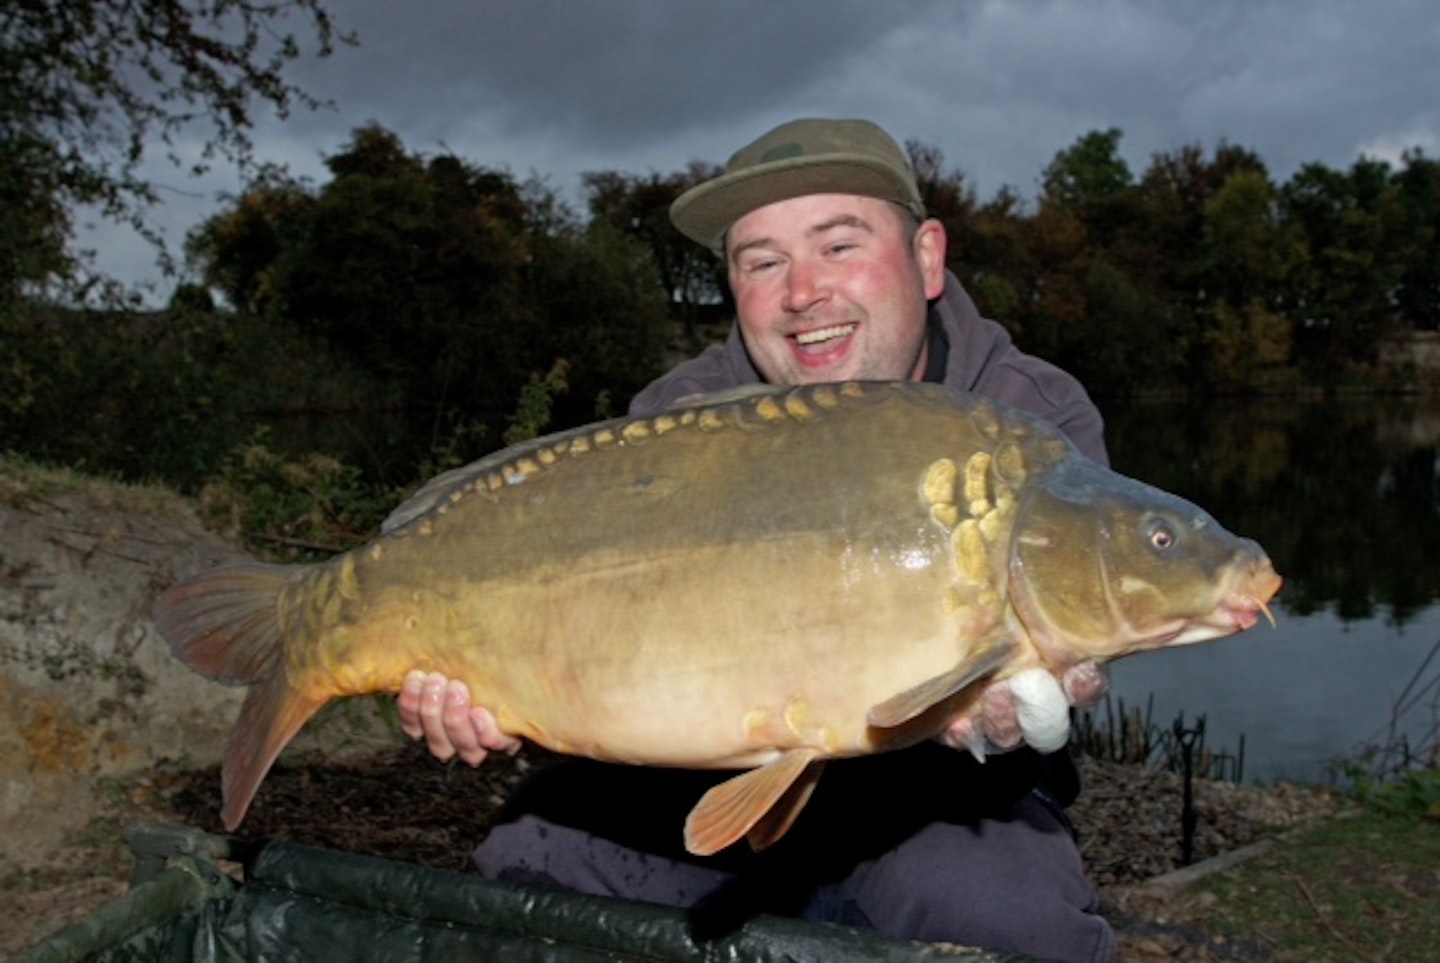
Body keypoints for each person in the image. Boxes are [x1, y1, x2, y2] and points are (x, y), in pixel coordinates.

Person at [397, 118, 1118, 962]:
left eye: (838, 245)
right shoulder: (675, 425)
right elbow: (604, 657)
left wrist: (1007, 708)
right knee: (529, 856)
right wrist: (497, 698)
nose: (802, 292)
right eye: (762, 262)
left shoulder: (1030, 417)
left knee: (1014, 924)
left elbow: (1080, 624)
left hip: (943, 804)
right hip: (705, 786)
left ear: (927, 257)